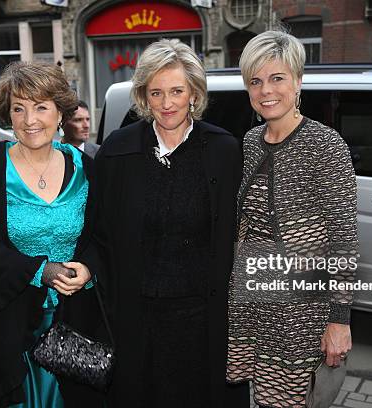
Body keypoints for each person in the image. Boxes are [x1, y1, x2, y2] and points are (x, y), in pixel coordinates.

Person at [77, 38, 249, 408]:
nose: (167, 103)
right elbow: (98, 232)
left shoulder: (223, 150)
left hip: (201, 321)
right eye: (156, 92)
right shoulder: (117, 151)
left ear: (194, 93)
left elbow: (239, 236)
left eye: (176, 91)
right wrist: (87, 267)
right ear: (143, 96)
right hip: (134, 319)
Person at [0, 61, 103, 407]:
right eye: (19, 108)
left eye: (41, 107)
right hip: (6, 325)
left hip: (74, 324)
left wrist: (88, 268)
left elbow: (104, 236)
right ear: (8, 114)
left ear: (61, 112)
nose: (30, 121)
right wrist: (38, 270)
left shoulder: (86, 167)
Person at [226, 30, 359, 407]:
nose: (266, 90)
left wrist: (339, 319)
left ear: (298, 82)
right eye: (255, 81)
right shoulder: (250, 142)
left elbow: (343, 239)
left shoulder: (325, 145)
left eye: (277, 78)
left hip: (300, 313)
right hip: (251, 303)